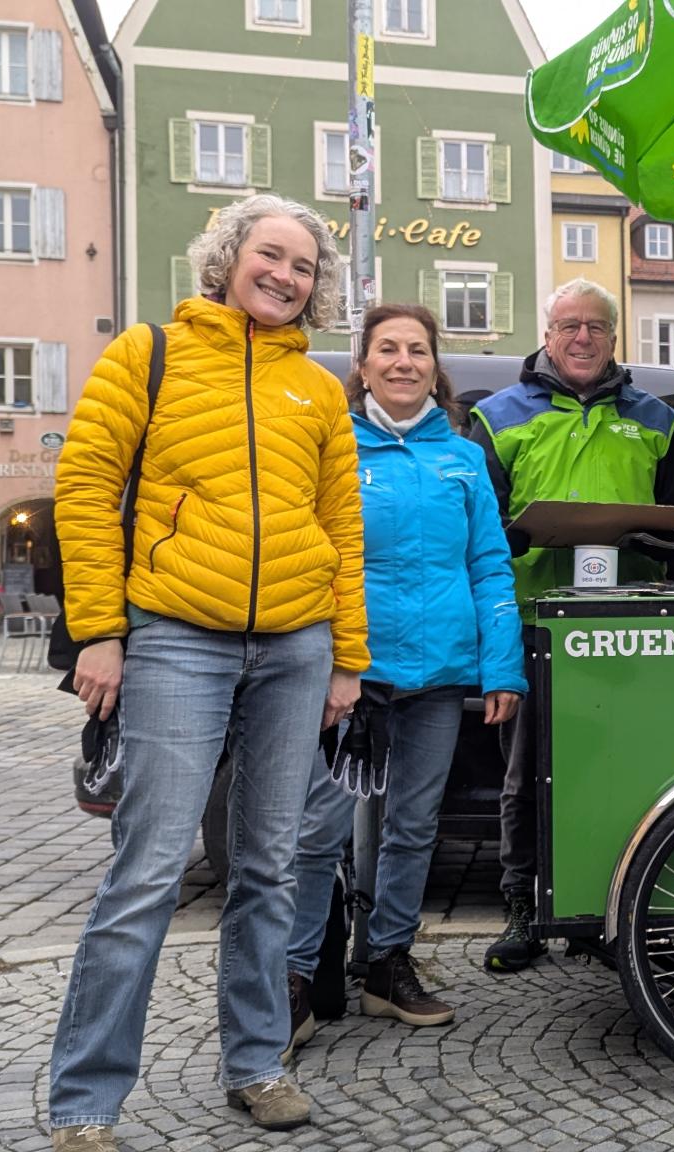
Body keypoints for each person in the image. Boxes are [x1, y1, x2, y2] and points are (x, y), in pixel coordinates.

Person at [47, 195, 368, 1152]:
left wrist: (348, 658)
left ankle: (257, 1062)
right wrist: (99, 630)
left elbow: (344, 531)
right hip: (177, 634)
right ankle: (85, 1103)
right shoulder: (148, 353)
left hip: (297, 644)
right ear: (228, 258)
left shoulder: (316, 388)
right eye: (272, 255)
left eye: (306, 266)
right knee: (146, 870)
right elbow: (86, 485)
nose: (287, 275)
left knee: (269, 867)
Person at [281, 304, 525, 1054]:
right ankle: (294, 980)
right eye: (387, 349)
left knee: (414, 827)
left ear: (433, 366)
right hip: (352, 674)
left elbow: (488, 565)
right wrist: (326, 659)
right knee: (319, 831)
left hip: (440, 673)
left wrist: (501, 666)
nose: (403, 361)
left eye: (417, 350)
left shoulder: (460, 457)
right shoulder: (334, 450)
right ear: (362, 366)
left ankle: (388, 965)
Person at [468, 277, 674, 972]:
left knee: (630, 769)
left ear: (614, 337)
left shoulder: (658, 418)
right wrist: (527, 535)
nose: (583, 338)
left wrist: (655, 540)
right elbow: (477, 532)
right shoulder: (499, 415)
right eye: (569, 325)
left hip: (632, 625)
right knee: (528, 776)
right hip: (536, 623)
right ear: (547, 331)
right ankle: (523, 912)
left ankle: (613, 915)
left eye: (596, 326)